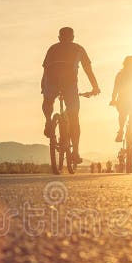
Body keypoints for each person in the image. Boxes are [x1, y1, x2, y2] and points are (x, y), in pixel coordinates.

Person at [41, 27, 100, 164]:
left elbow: (45, 70)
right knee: (74, 118)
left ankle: (49, 121)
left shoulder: (52, 49)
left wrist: (44, 87)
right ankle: (75, 152)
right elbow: (88, 70)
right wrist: (95, 87)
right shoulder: (78, 49)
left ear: (59, 37)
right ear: (73, 37)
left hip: (51, 81)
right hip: (69, 84)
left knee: (48, 101)